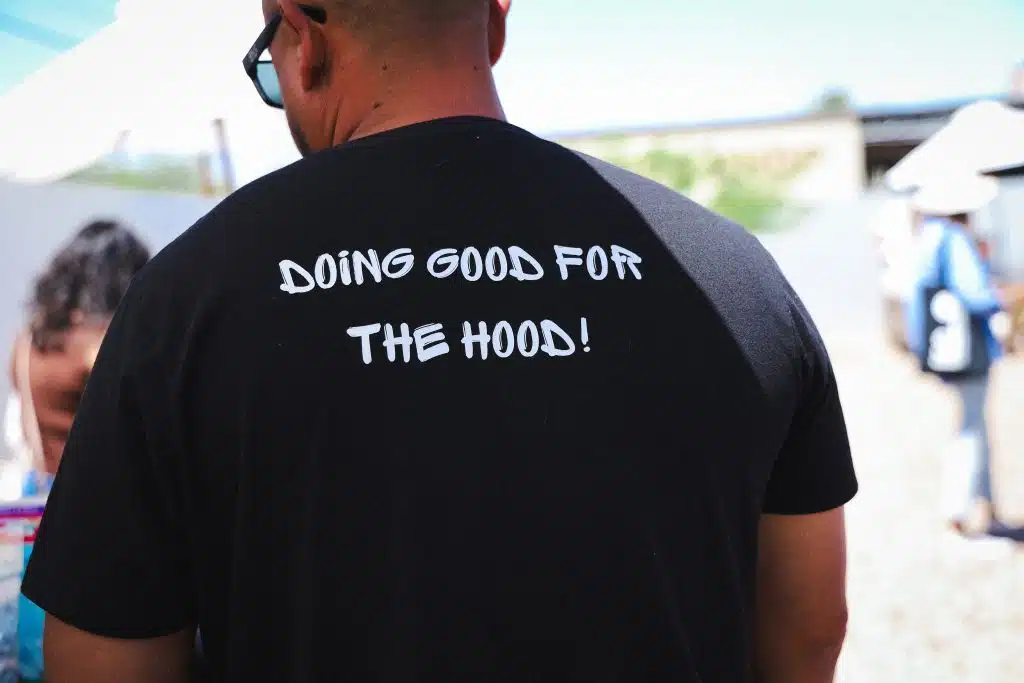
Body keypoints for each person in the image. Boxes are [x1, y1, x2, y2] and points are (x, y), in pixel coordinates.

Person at [22, 2, 857, 682]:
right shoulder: (733, 276)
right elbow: (811, 630)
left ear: (303, 41)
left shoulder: (184, 299)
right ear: (495, 25)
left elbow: (101, 661)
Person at [3, 218, 149, 682]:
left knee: (31, 648)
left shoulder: (29, 343)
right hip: (90, 515)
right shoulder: (98, 346)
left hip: (34, 503)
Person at [904, 173, 1009, 536]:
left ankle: (985, 509)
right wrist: (1002, 298)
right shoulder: (953, 239)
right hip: (968, 348)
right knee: (971, 429)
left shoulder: (927, 238)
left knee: (971, 424)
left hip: (945, 349)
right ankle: (960, 511)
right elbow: (976, 294)